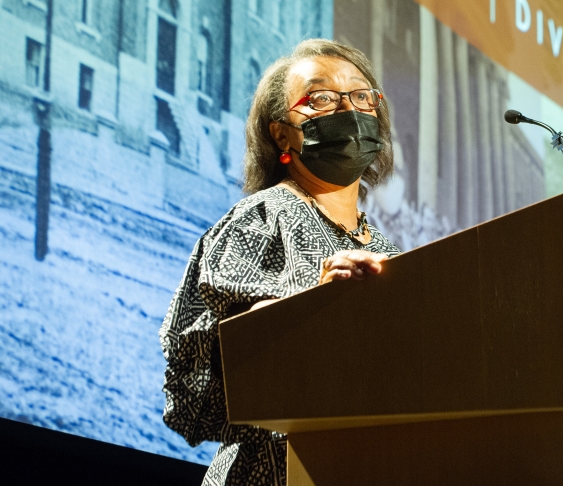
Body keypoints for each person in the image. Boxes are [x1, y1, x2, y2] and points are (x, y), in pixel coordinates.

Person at [159, 39, 400, 486]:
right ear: (281, 133)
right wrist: (316, 304)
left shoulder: (386, 247)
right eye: (321, 97)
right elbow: (231, 349)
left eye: (361, 95)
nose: (347, 108)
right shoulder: (264, 216)